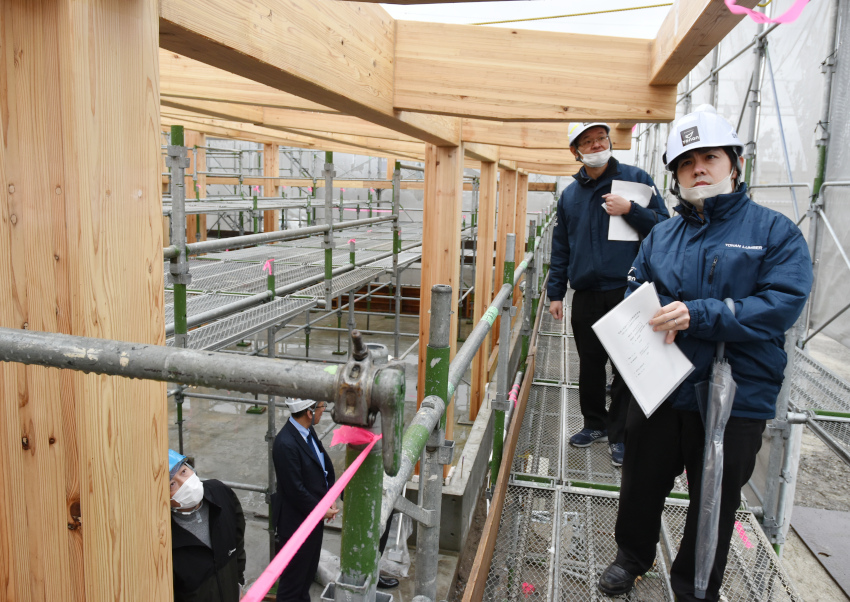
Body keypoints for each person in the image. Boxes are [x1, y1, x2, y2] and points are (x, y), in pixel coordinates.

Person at [597, 106, 812, 601]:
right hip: (663, 383)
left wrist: (701, 313)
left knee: (713, 498)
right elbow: (637, 286)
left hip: (736, 394)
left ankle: (695, 587)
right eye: (687, 161)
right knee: (641, 481)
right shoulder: (662, 234)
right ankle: (632, 556)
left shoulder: (773, 232)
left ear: (734, 164)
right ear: (674, 174)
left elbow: (782, 304)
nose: (698, 168)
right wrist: (637, 314)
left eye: (710, 157)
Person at [548, 122, 669, 466]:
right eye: (588, 141)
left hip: (627, 289)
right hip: (585, 292)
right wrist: (556, 293)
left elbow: (665, 228)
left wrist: (631, 210)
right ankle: (594, 424)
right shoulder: (570, 195)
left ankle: (621, 434)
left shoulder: (635, 180)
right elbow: (562, 247)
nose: (597, 144)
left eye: (601, 138)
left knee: (627, 364)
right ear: (576, 151)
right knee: (590, 362)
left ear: (609, 141)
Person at [273, 398, 338, 602]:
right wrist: (321, 509)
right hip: (296, 524)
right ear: (309, 412)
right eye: (321, 407)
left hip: (311, 519)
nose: (323, 410)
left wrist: (329, 495)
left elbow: (322, 463)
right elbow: (296, 490)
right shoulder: (286, 444)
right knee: (293, 582)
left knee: (306, 575)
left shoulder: (306, 431)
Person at [169, 449, 246, 602]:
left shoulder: (221, 494)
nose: (185, 484)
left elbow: (237, 544)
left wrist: (238, 583)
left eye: (183, 471)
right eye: (172, 484)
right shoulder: (165, 536)